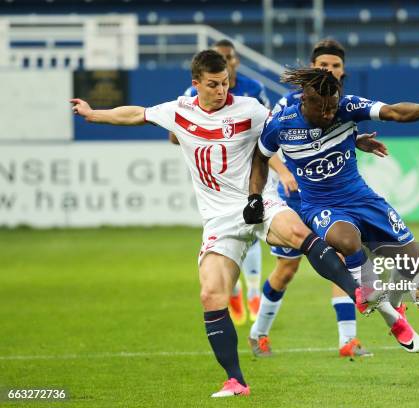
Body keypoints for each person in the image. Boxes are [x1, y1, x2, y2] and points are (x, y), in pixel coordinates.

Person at [71, 50, 380, 398]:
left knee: (298, 233)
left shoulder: (249, 108)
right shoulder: (179, 111)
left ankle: (360, 293)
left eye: (225, 84)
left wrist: (352, 140)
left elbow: (293, 127)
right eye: (214, 85)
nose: (221, 90)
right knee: (211, 294)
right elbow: (136, 114)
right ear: (196, 84)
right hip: (218, 219)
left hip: (258, 201)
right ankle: (236, 381)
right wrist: (93, 113)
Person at [247, 67, 419, 353]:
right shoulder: (281, 123)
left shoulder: (347, 107)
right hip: (320, 206)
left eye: (333, 106)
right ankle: (372, 297)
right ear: (304, 100)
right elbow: (259, 158)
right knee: (347, 241)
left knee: (415, 266)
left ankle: (394, 308)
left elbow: (395, 112)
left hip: (362, 199)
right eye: (322, 108)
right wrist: (254, 197)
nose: (329, 114)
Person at [248, 39, 385, 358]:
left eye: (335, 66)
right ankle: (259, 333)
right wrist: (284, 173)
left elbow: (337, 139)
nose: (330, 70)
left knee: (340, 259)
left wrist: (357, 141)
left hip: (332, 201)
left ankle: (347, 340)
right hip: (296, 201)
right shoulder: (287, 106)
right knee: (287, 270)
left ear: (343, 71)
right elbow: (266, 149)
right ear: (312, 68)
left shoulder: (343, 106)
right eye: (324, 65)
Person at [170, 39, 270, 326]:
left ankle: (252, 292)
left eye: (230, 57)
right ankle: (236, 292)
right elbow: (174, 133)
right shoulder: (193, 94)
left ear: (235, 61)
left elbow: (269, 130)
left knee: (250, 232)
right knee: (227, 238)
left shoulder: (252, 92)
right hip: (216, 178)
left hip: (248, 170)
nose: (229, 61)